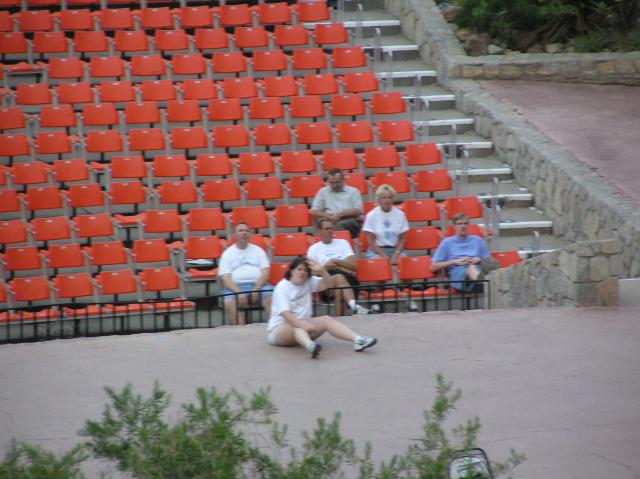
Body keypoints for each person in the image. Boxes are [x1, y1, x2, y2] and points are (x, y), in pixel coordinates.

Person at [266, 256, 378, 358]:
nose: (302, 273)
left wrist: (322, 271)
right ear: (292, 270)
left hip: (304, 326)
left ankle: (358, 340)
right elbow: (286, 315)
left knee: (326, 319)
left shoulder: (308, 281)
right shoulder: (282, 287)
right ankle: (310, 346)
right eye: (299, 269)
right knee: (297, 326)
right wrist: (304, 326)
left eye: (305, 270)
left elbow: (328, 284)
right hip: (279, 331)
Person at [306, 219, 370, 316]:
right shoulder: (313, 249)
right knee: (339, 279)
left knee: (339, 287)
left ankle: (339, 319)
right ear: (319, 231)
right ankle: (355, 307)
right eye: (327, 229)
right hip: (325, 282)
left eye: (332, 228)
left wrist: (336, 261)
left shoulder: (343, 243)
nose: (330, 231)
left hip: (347, 278)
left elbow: (354, 266)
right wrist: (326, 267)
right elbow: (312, 272)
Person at [218, 222, 273, 325]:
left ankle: (274, 328)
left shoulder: (259, 251)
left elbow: (266, 273)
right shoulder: (227, 254)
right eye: (241, 231)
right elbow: (226, 278)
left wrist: (256, 288)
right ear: (235, 235)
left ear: (250, 234)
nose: (244, 233)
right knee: (229, 302)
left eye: (247, 231)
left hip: (259, 285)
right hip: (235, 287)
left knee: (271, 297)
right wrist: (238, 292)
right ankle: (237, 330)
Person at [430, 212, 496, 291]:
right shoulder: (447, 242)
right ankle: (484, 283)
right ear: (454, 227)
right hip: (458, 274)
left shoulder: (478, 240)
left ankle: (481, 282)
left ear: (468, 226)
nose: (463, 226)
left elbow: (491, 264)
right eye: (460, 224)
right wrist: (454, 261)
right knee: (471, 268)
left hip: (477, 270)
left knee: (475, 267)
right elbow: (433, 267)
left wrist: (479, 260)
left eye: (465, 223)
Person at [362, 184, 409, 265]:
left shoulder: (400, 214)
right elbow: (370, 241)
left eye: (390, 197)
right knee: (379, 263)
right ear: (379, 200)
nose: (387, 200)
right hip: (377, 250)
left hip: (395, 249)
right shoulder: (371, 215)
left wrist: (396, 254)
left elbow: (402, 239)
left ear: (393, 199)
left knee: (404, 262)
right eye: (384, 198)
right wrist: (383, 256)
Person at [310, 168, 363, 238]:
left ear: (343, 180)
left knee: (338, 226)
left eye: (337, 182)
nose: (334, 185)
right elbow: (313, 211)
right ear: (328, 181)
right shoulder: (323, 191)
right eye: (331, 182)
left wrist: (339, 215)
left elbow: (358, 211)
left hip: (349, 220)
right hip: (329, 219)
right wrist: (328, 217)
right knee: (325, 224)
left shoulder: (354, 191)